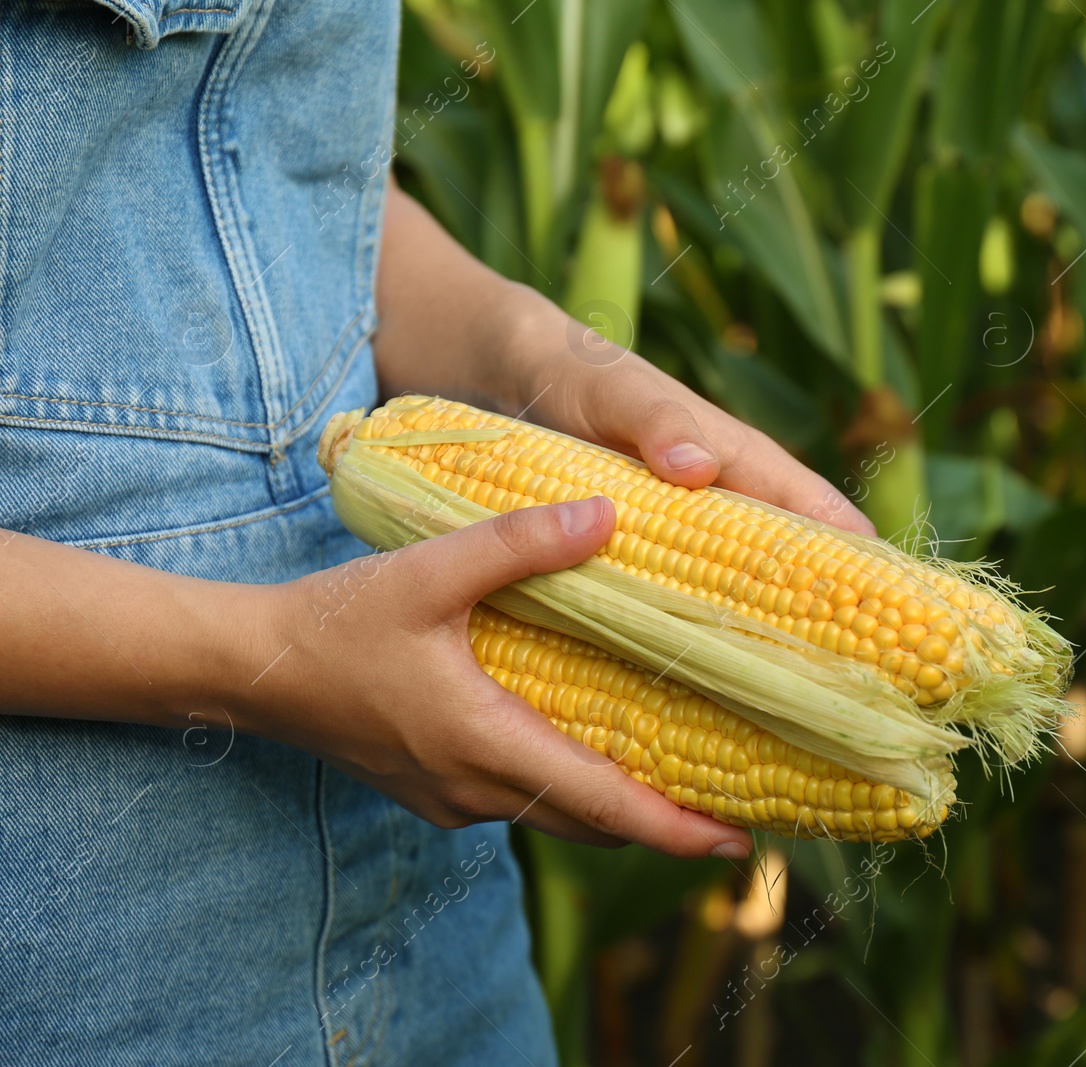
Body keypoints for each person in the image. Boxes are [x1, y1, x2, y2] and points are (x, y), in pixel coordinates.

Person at [0, 2, 873, 1062]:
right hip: (87, 943)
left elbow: (289, 174)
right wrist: (257, 661)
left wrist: (537, 354)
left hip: (431, 900)